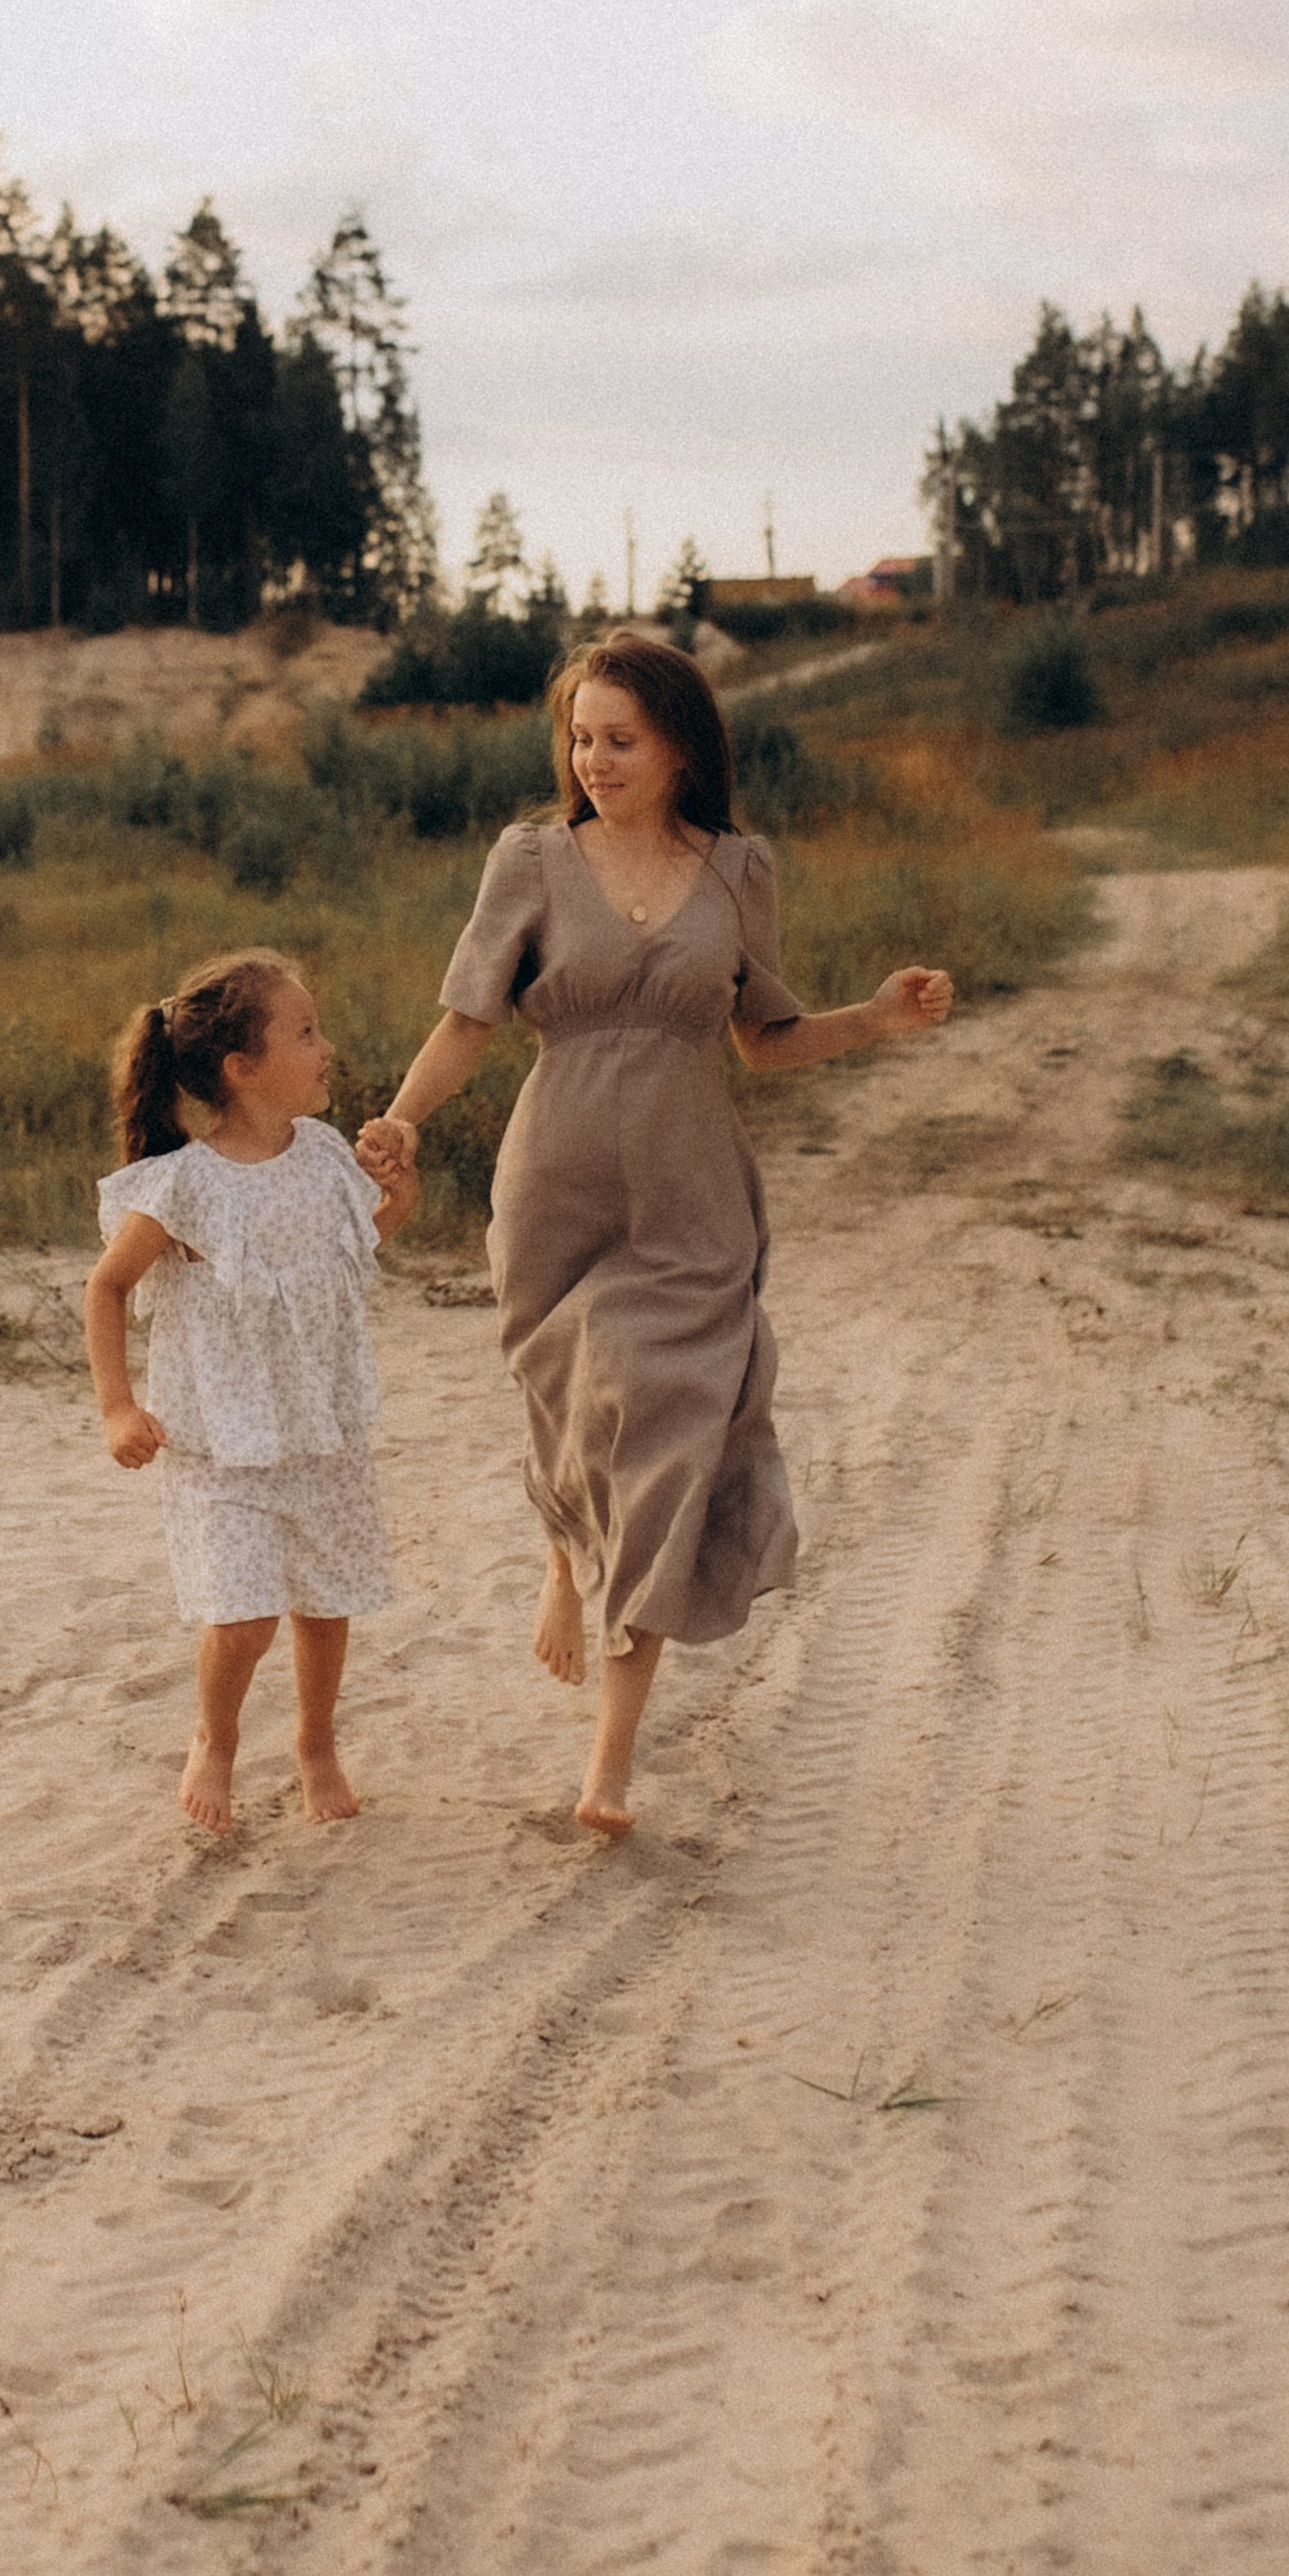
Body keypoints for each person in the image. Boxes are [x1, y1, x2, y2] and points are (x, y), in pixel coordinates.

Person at [355, 633, 952, 1840]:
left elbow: (765, 1038)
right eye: (580, 737)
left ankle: (608, 1770)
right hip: (553, 1185)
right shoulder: (529, 857)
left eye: (619, 739)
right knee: (572, 1401)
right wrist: (401, 1121)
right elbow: (469, 1019)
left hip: (689, 1193)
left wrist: (877, 1022)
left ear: (679, 744)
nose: (594, 758)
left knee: (670, 1427)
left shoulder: (738, 870)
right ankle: (566, 1549)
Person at [85, 946, 419, 1835]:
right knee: (244, 1612)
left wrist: (397, 1196)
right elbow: (106, 1288)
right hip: (224, 1436)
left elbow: (358, 1244)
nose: (325, 1048)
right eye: (304, 1033)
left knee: (325, 1597)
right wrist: (119, 1406)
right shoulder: (185, 1186)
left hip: (323, 1426)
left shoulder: (321, 1156)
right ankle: (218, 1737)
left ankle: (315, 1741)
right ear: (244, 1068)